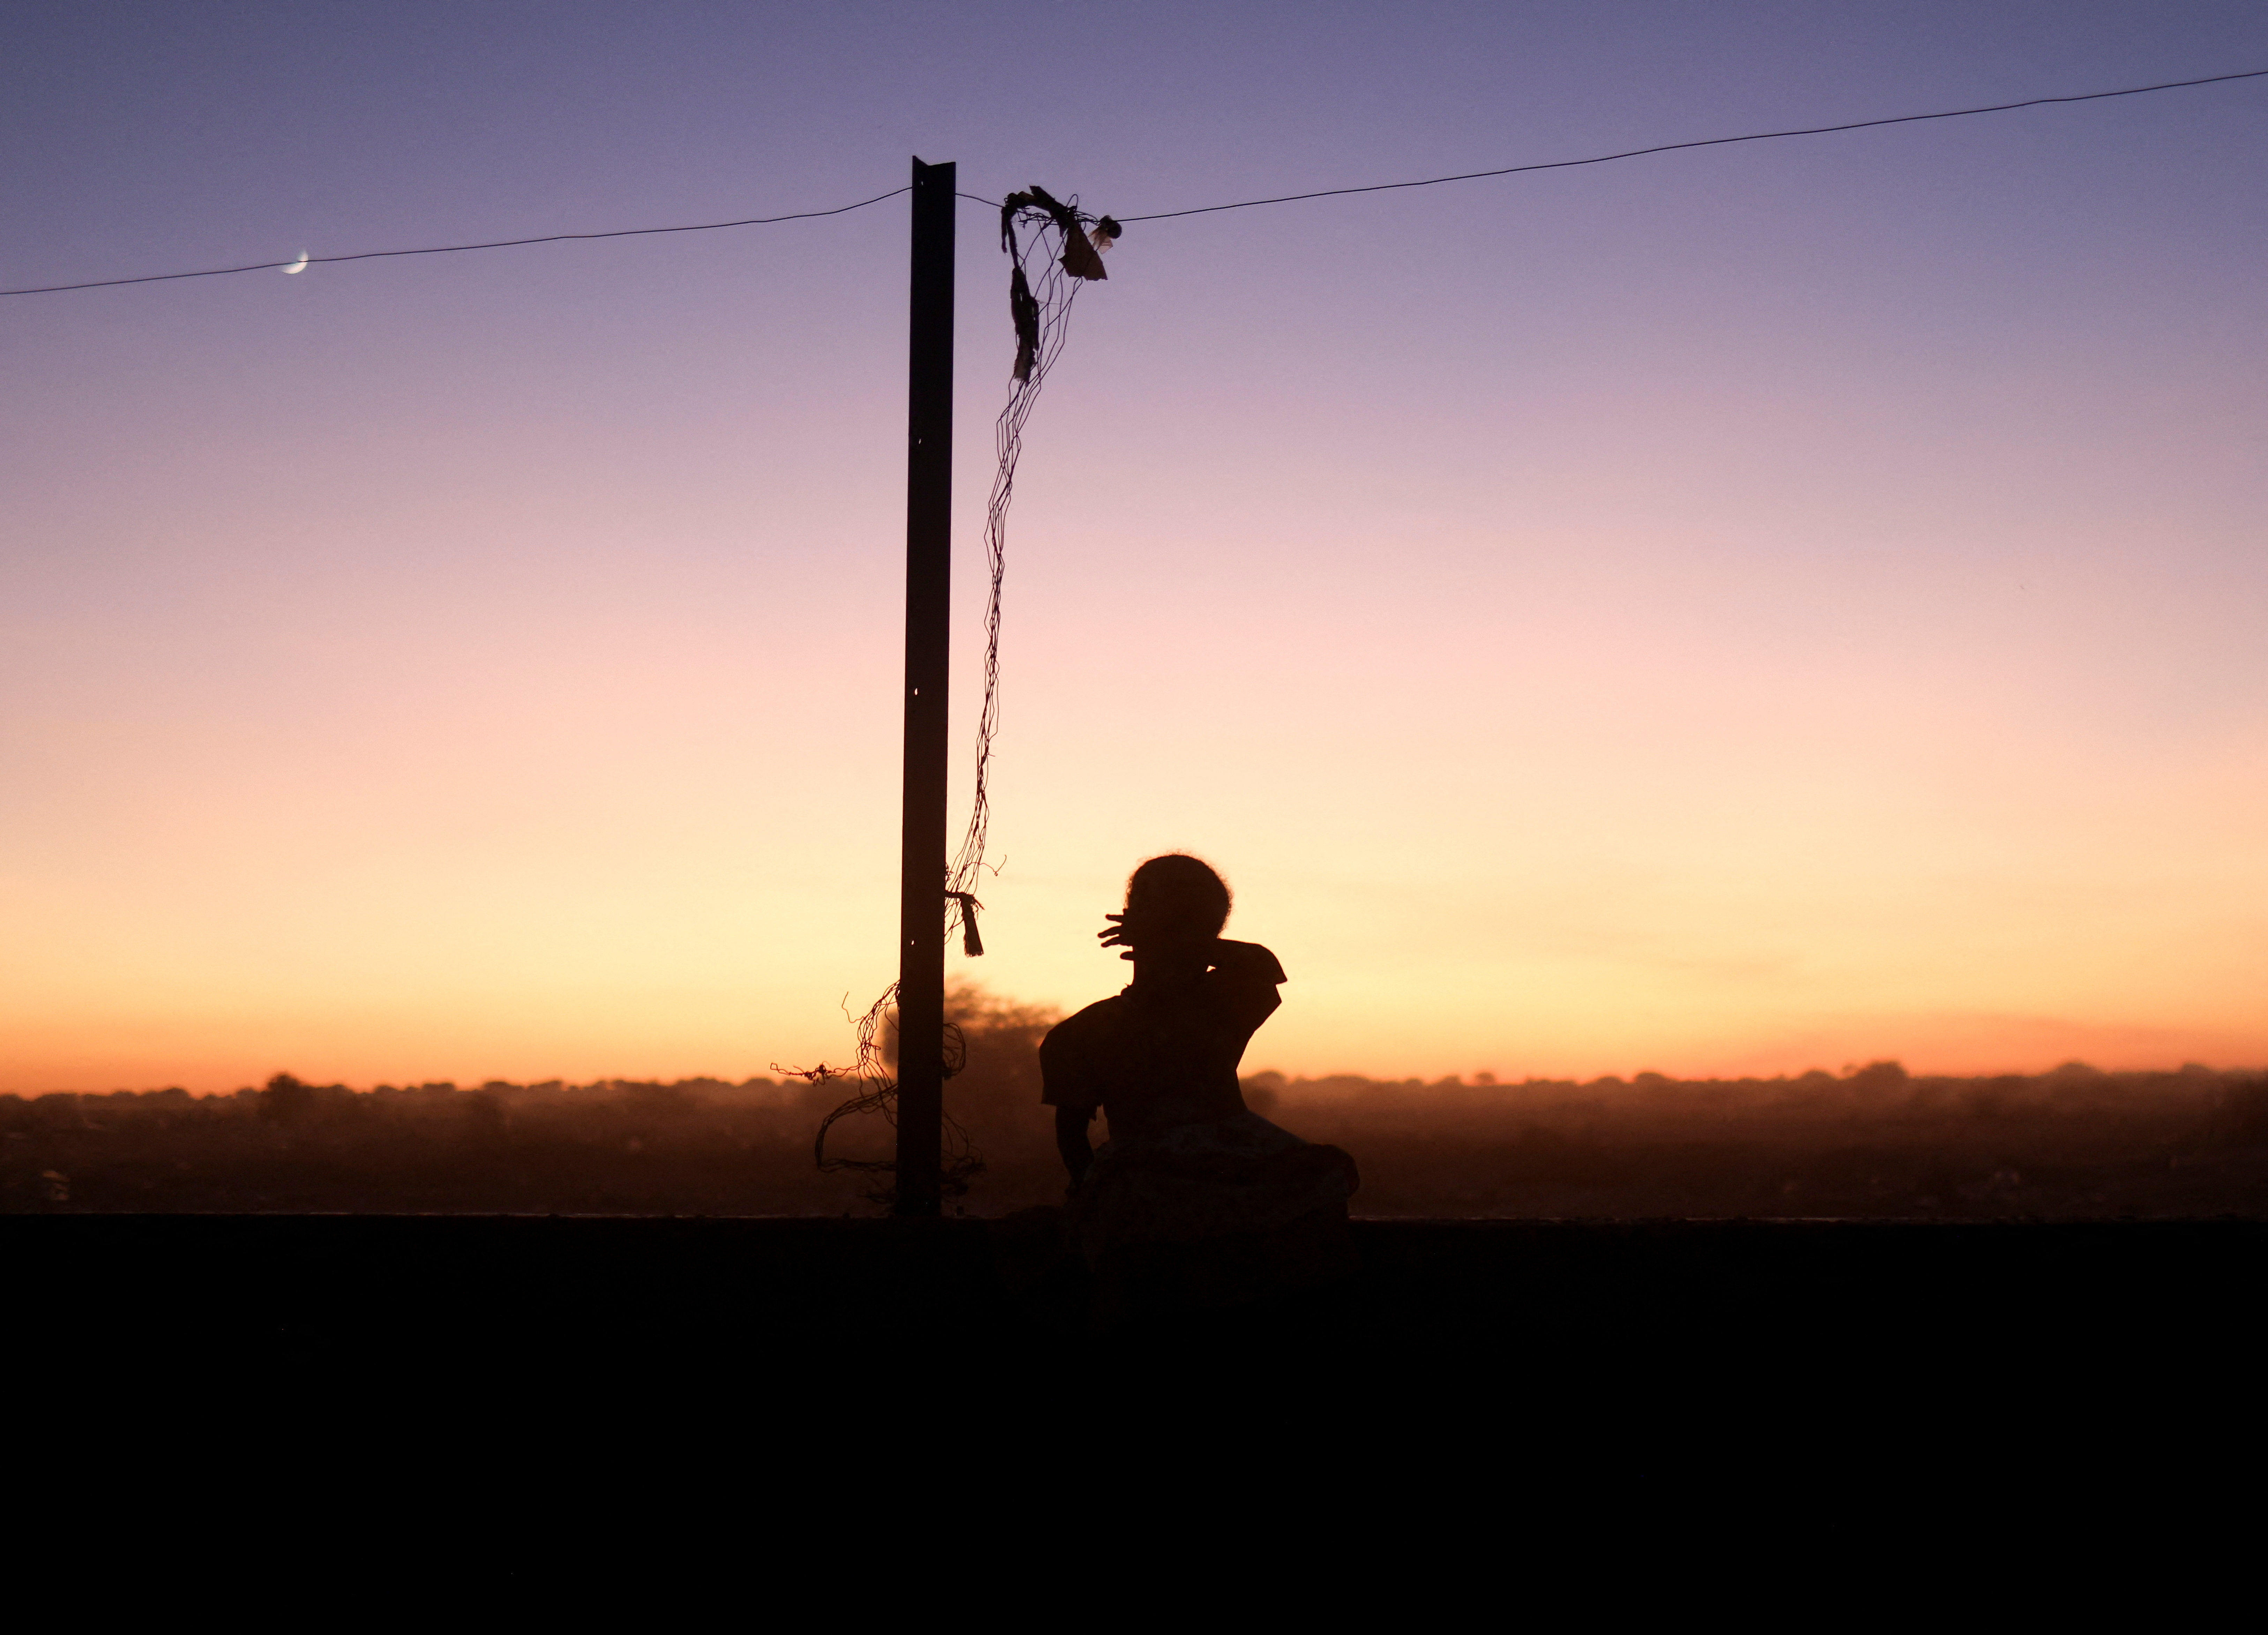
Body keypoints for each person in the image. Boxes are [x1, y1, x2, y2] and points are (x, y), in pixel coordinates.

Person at [1040, 853, 1358, 1319]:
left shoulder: (1223, 1002)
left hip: (1236, 1156)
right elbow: (1073, 1137)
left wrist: (1174, 942)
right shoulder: (1083, 1033)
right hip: (1143, 1170)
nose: (1179, 933)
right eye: (1171, 918)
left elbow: (1263, 965)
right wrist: (1092, 1193)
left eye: (1193, 924)